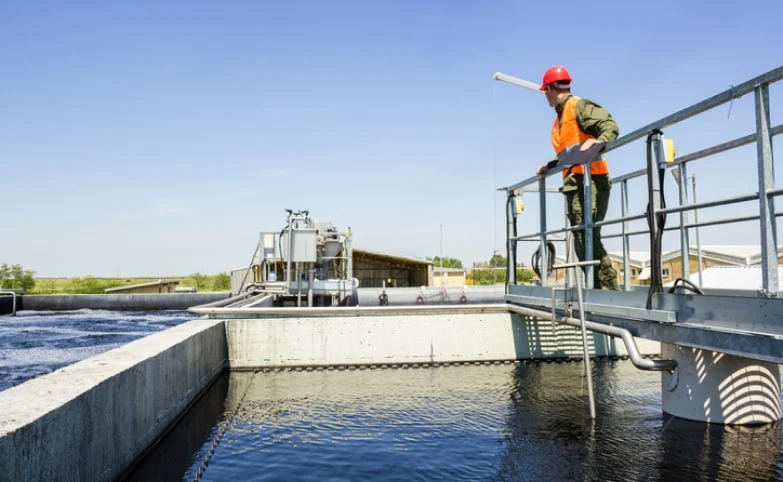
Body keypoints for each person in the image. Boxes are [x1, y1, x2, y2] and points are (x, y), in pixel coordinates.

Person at [535, 65, 619, 290]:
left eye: (545, 91)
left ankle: (608, 290)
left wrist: (599, 140)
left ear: (550, 88)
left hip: (590, 181)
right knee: (583, 239)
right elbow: (568, 153)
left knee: (587, 238)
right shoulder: (561, 119)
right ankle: (600, 289)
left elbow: (609, 125)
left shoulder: (578, 106)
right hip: (576, 183)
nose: (545, 96)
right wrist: (549, 166)